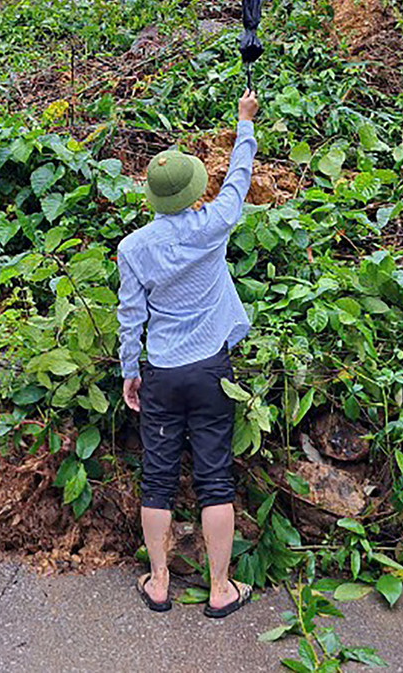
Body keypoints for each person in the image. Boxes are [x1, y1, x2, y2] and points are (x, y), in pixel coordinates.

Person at [117, 88, 260, 618]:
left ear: (154, 198)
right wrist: (244, 123)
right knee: (214, 478)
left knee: (157, 478)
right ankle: (220, 589)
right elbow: (238, 183)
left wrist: (131, 372)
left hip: (162, 371)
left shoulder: (133, 248)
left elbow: (131, 316)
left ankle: (158, 582)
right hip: (210, 368)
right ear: (194, 191)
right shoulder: (211, 226)